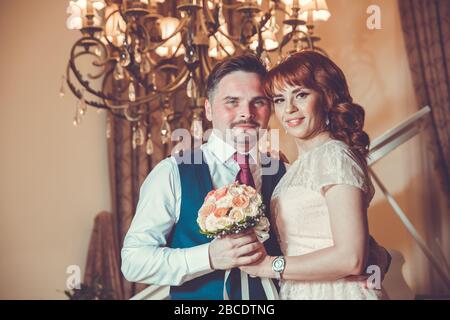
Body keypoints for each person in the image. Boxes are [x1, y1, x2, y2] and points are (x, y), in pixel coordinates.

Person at [121, 54, 288, 300]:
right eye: (232, 101)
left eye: (259, 102)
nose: (246, 113)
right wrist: (207, 257)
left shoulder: (285, 171)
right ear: (209, 109)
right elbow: (133, 261)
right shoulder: (172, 173)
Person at [239, 51, 389, 299]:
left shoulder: (335, 156)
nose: (289, 109)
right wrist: (378, 257)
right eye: (279, 99)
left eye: (301, 94)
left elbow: (351, 258)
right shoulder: (297, 166)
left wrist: (269, 265)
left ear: (327, 97)